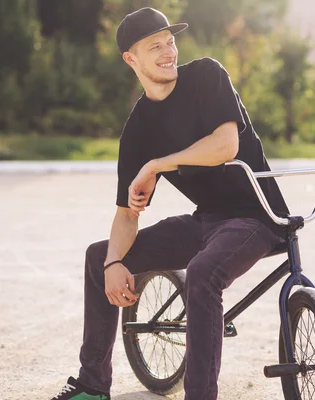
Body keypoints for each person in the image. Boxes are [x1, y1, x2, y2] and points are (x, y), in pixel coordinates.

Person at [50, 7, 290, 400]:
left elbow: (226, 146)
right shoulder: (138, 128)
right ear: (131, 59)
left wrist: (159, 164)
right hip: (206, 223)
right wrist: (113, 263)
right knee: (98, 258)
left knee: (203, 272)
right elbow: (127, 213)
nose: (168, 52)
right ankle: (92, 386)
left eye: (170, 41)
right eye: (154, 46)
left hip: (255, 218)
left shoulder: (207, 77)